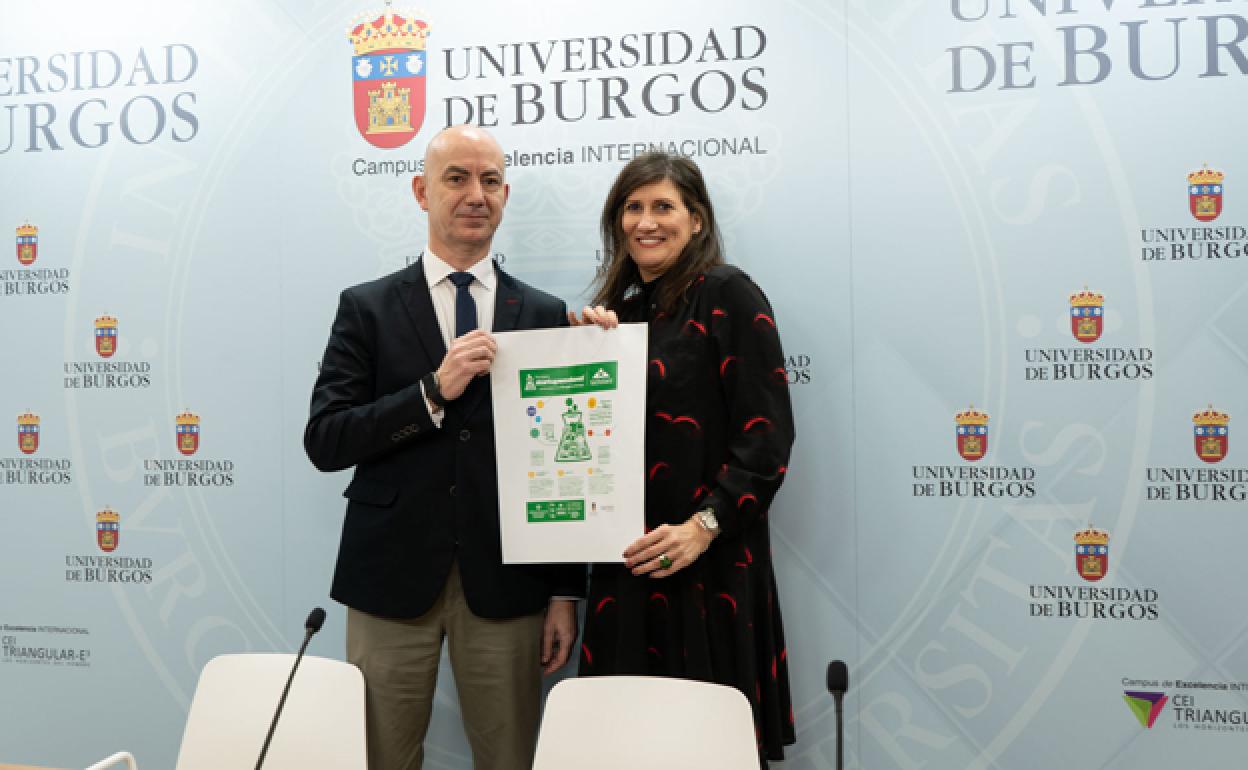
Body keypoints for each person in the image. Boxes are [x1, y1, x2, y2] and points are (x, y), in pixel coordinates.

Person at [304, 125, 585, 770]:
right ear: (421, 191)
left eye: (490, 180)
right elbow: (327, 439)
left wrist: (566, 592)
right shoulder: (367, 307)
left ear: (506, 194)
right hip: (391, 578)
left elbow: (565, 471)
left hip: (510, 582)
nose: (475, 194)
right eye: (457, 177)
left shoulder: (544, 312)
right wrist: (433, 390)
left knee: (512, 757)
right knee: (383, 757)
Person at [574, 152, 797, 764]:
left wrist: (704, 528)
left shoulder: (729, 293)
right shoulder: (617, 314)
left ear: (696, 220)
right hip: (627, 569)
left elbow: (767, 437)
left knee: (706, 749)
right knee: (624, 749)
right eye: (633, 207)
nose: (646, 221)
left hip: (710, 568)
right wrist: (580, 362)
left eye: (663, 206)